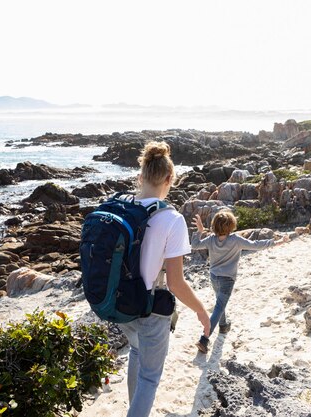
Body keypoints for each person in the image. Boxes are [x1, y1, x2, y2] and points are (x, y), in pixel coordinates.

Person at [119, 141, 211, 417]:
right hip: (149, 310)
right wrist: (201, 310)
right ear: (170, 179)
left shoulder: (123, 208)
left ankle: (133, 408)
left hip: (120, 305)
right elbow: (175, 283)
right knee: (150, 378)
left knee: (136, 353)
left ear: (140, 176)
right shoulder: (172, 220)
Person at [191, 210, 290, 354]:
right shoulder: (235, 240)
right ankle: (204, 339)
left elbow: (195, 245)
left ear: (214, 226)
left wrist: (199, 231)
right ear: (231, 225)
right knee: (219, 306)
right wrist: (277, 242)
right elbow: (256, 245)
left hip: (213, 276)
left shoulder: (211, 239)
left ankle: (223, 325)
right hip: (227, 279)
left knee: (219, 303)